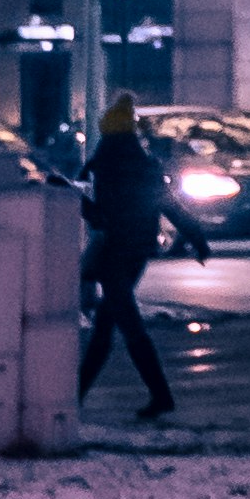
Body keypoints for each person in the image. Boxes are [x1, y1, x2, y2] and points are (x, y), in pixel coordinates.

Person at [82, 93, 174, 421]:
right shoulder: (144, 165)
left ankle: (162, 396)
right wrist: (195, 236)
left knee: (127, 325)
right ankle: (76, 395)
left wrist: (76, 199)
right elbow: (166, 204)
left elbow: (102, 216)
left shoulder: (106, 164)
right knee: (106, 324)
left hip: (114, 254)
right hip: (137, 252)